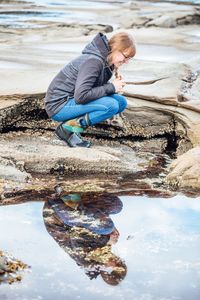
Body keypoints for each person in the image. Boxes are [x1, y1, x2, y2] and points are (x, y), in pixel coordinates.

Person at [44, 31, 136, 148]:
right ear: (115, 48)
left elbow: (92, 87)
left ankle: (69, 126)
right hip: (58, 105)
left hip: (71, 100)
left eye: (130, 59)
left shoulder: (106, 61)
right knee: (111, 105)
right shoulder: (94, 62)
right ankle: (67, 129)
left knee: (121, 102)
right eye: (126, 57)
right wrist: (111, 87)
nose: (126, 61)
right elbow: (81, 96)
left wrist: (113, 86)